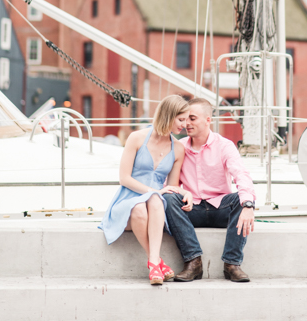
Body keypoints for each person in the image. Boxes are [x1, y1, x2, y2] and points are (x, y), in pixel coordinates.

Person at [99, 94, 192, 285]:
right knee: (142, 207)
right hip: (129, 198)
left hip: (155, 204)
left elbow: (172, 186)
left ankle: (153, 263)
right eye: (181, 119)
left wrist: (186, 192)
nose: (184, 125)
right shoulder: (136, 138)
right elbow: (124, 178)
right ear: (168, 115)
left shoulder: (178, 149)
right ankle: (155, 261)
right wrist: (152, 190)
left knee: (155, 200)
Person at [163, 97, 256, 282]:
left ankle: (232, 265)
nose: (187, 123)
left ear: (208, 120)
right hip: (191, 209)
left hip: (220, 208)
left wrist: (248, 205)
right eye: (185, 118)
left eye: (193, 118)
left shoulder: (224, 146)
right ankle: (193, 262)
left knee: (241, 198)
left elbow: (241, 175)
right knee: (169, 198)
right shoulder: (179, 147)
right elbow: (171, 185)